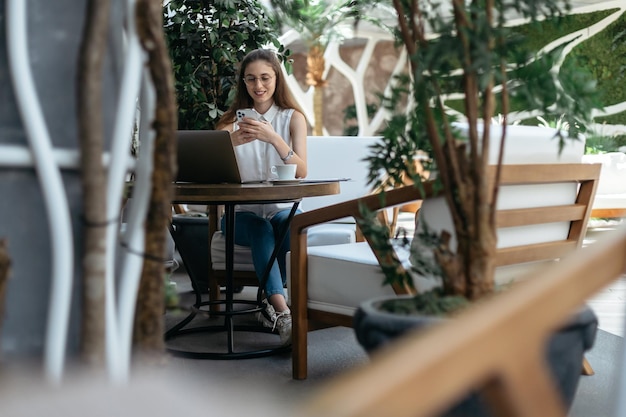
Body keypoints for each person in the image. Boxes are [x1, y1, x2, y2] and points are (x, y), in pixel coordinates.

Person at [216, 48, 308, 345]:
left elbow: (302, 171)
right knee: (259, 226)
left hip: (280, 211)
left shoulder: (293, 118)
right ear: (243, 82)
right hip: (238, 217)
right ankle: (283, 311)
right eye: (251, 79)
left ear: (277, 78)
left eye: (265, 78)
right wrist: (230, 142)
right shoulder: (229, 122)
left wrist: (274, 139)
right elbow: (211, 171)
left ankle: (272, 302)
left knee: (284, 221)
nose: (259, 86)